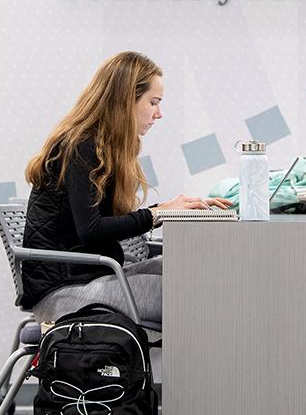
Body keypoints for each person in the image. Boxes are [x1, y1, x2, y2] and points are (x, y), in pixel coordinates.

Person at [17, 51, 232, 324]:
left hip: (92, 276)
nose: (159, 113)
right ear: (126, 100)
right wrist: (158, 213)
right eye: (153, 102)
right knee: (199, 291)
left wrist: (162, 210)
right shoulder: (81, 146)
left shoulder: (98, 146)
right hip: (65, 293)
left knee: (194, 270)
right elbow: (91, 230)